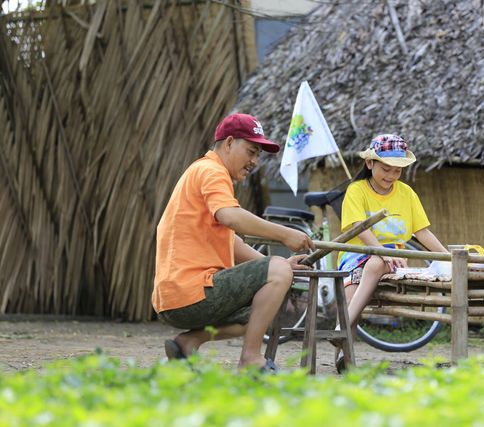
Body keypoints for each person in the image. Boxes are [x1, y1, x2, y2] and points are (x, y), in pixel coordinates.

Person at [152, 113, 314, 372]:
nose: (254, 161)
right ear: (228, 143)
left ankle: (187, 343)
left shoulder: (205, 173)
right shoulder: (211, 170)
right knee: (277, 273)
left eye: (258, 155)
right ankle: (251, 359)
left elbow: (233, 244)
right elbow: (230, 216)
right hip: (192, 290)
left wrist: (280, 265)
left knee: (261, 311)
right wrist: (285, 235)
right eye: (251, 151)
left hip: (176, 297)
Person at [334, 134, 448, 371]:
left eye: (397, 171)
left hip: (394, 258)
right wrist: (381, 252)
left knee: (377, 263)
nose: (391, 176)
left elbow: (423, 232)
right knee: (351, 291)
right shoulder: (356, 191)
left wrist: (449, 257)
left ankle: (339, 331)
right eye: (386, 169)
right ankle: (344, 356)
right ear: (370, 164)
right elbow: (358, 227)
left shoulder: (406, 193)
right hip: (356, 254)